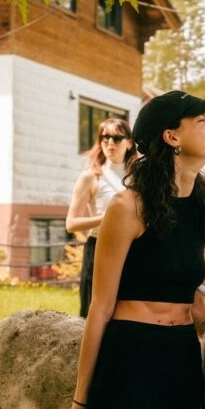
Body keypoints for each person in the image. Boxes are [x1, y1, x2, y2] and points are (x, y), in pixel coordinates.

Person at [49, 91, 205, 409]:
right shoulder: (127, 207)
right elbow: (100, 309)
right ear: (171, 136)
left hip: (181, 362)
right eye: (201, 120)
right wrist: (81, 405)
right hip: (129, 362)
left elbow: (197, 303)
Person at [66, 118, 135, 317]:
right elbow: (71, 224)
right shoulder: (91, 177)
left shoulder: (139, 177)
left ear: (129, 143)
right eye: (104, 138)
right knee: (92, 315)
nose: (110, 143)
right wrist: (106, 218)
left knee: (126, 314)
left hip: (133, 251)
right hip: (98, 249)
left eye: (116, 138)